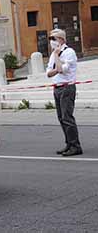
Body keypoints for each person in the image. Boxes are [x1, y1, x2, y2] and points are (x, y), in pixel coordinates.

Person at [46, 29, 82, 157]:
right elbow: (48, 73)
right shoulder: (52, 55)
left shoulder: (69, 52)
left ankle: (75, 146)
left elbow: (61, 70)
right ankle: (69, 143)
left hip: (67, 87)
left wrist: (56, 55)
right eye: (50, 39)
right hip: (57, 88)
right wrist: (55, 63)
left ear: (61, 39)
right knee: (61, 118)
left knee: (67, 117)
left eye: (53, 39)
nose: (51, 41)